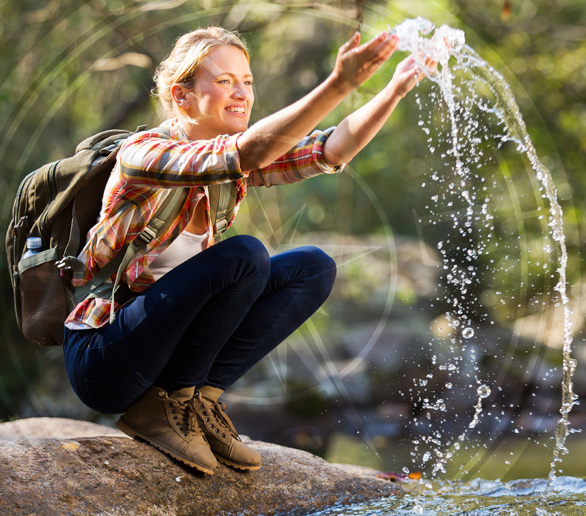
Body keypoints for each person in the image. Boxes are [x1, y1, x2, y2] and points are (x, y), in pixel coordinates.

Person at [63, 26, 428, 475]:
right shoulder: (145, 155)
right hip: (106, 356)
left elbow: (328, 149)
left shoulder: (229, 169)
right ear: (182, 96)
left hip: (162, 352)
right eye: (224, 82)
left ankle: (197, 403)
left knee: (311, 267)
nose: (242, 94)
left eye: (247, 81)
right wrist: (340, 83)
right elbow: (247, 152)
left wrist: (395, 88)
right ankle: (163, 407)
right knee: (244, 256)